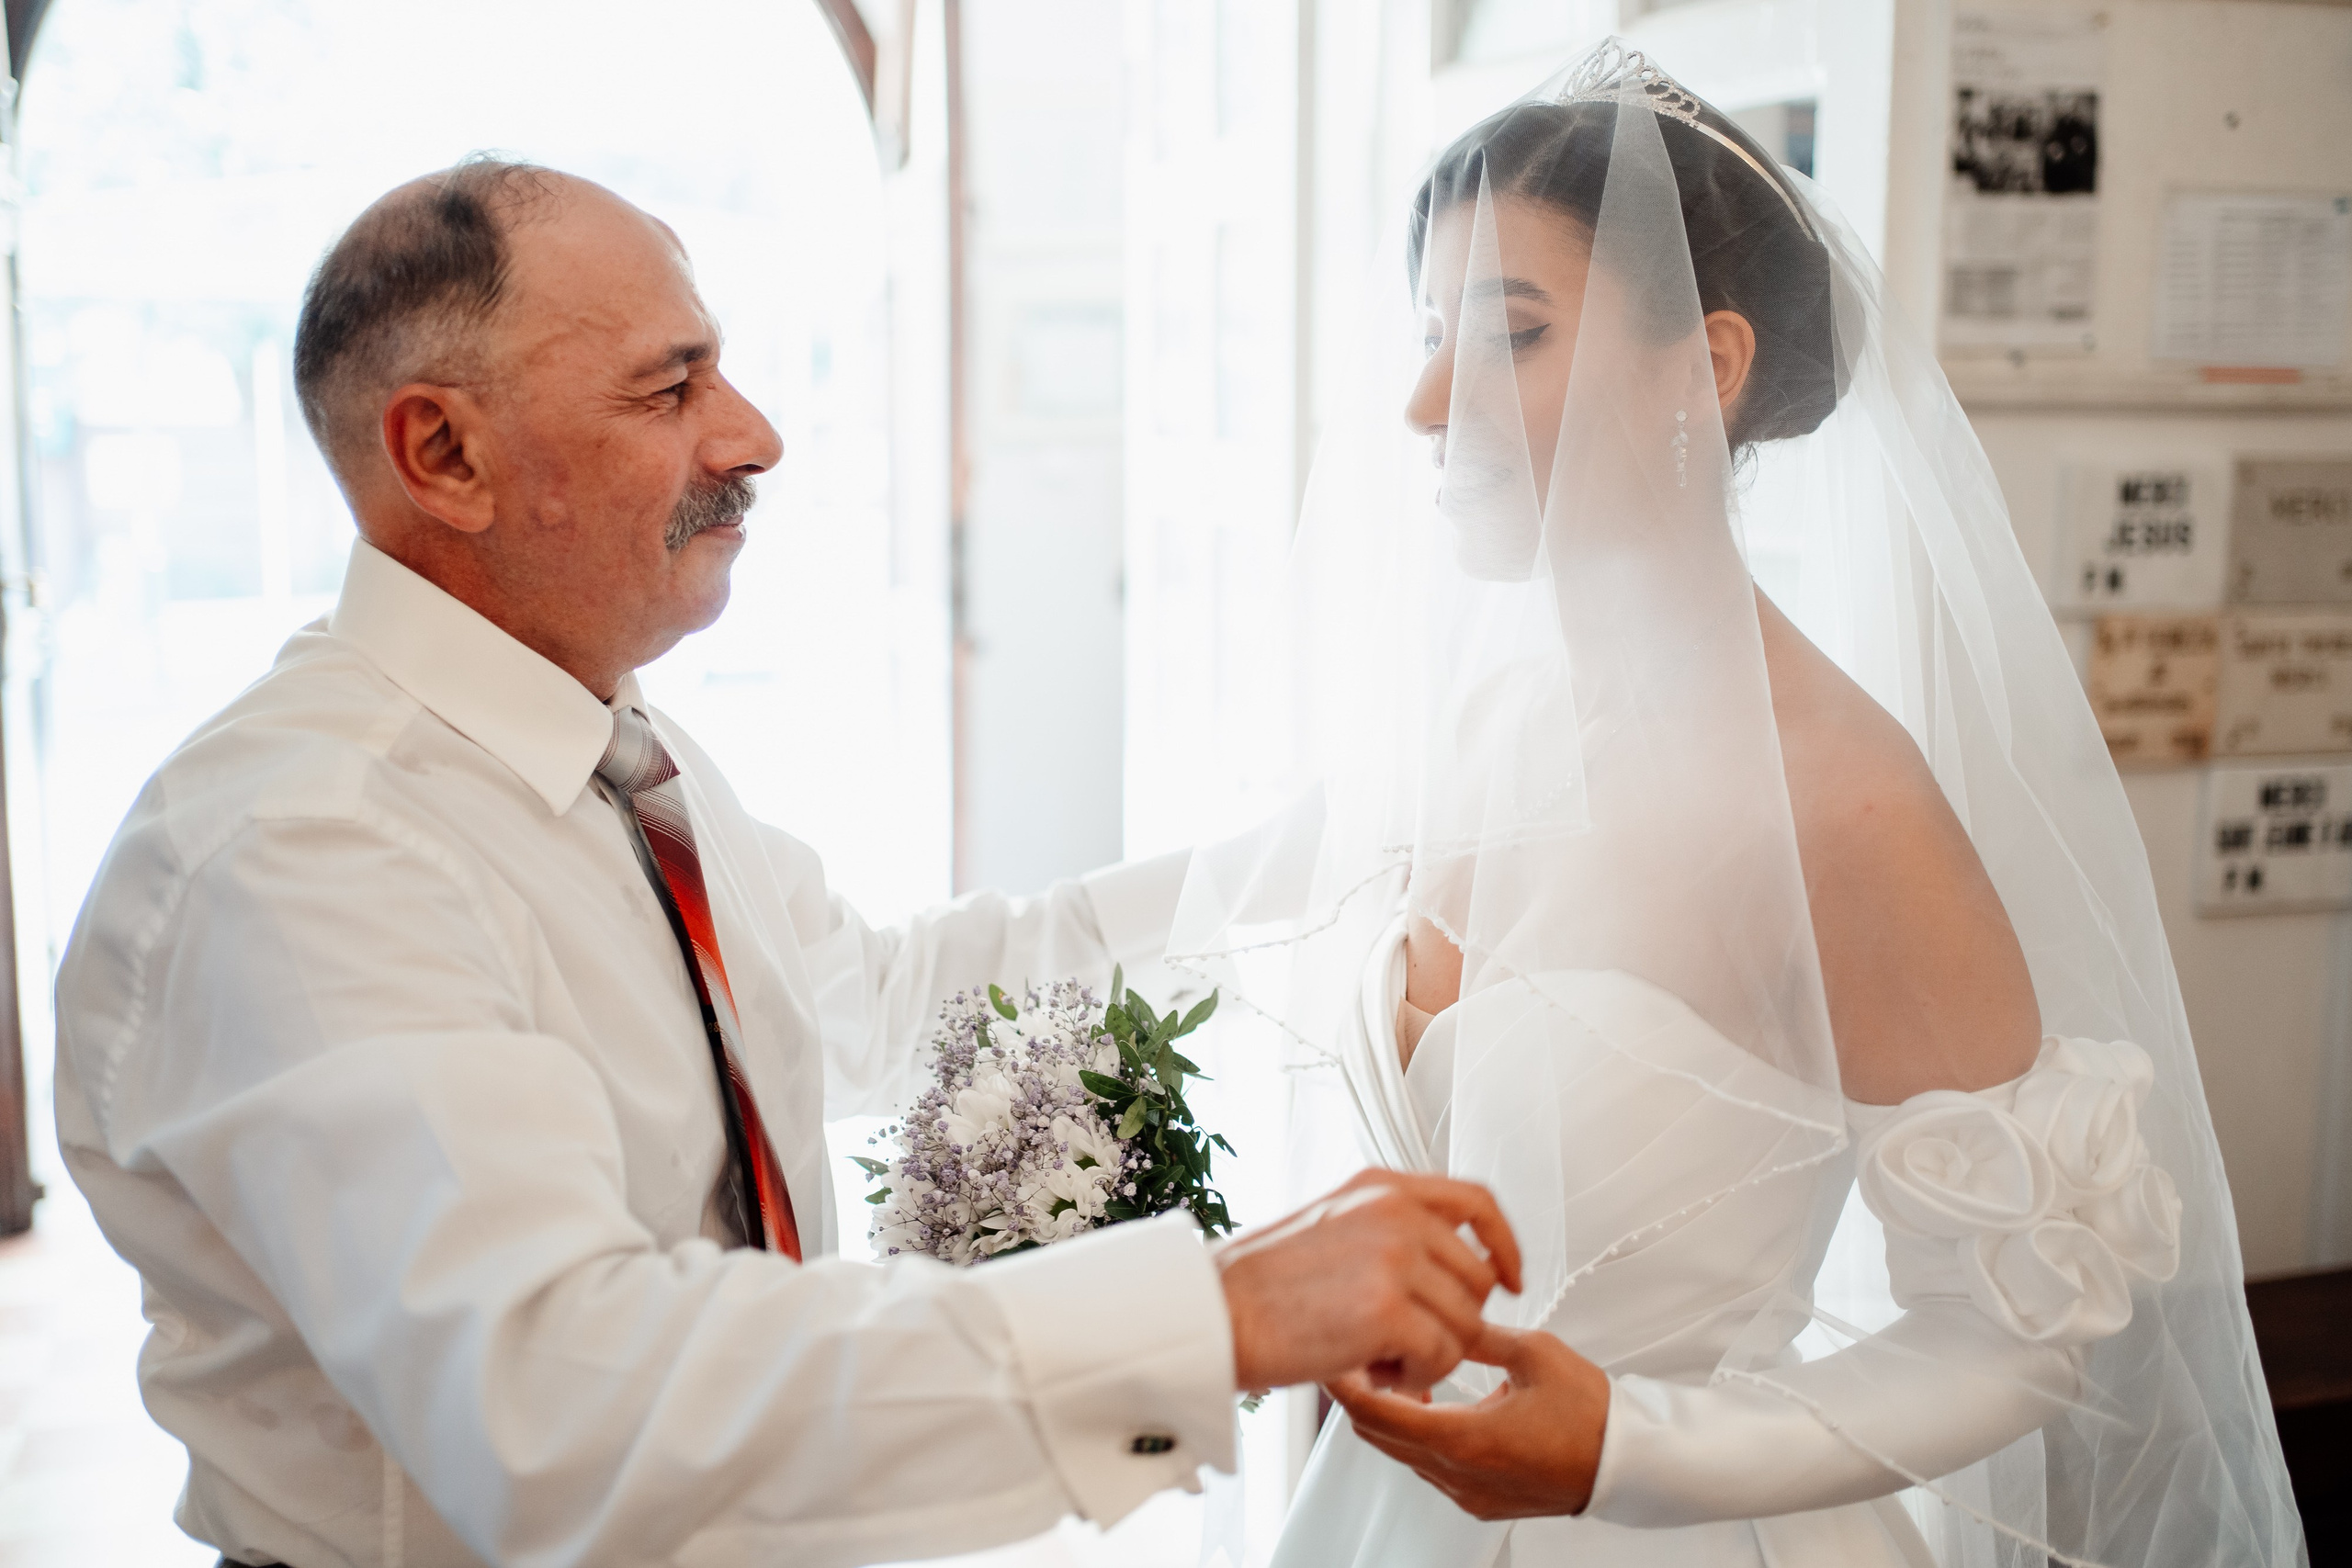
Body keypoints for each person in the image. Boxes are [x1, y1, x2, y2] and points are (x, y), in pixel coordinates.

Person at [51, 158, 1525, 1568]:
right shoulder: (306, 848)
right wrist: (1210, 1316)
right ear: (445, 454)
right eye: (668, 386)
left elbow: (878, 998)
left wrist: (1333, 853)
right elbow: (561, 1400)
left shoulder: (618, 754)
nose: (752, 433)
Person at [1166, 42, 2303, 1568]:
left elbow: (2022, 1329)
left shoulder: (1846, 803)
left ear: (1706, 364)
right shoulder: (1500, 718)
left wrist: (1627, 1447)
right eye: (1431, 334)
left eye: (1506, 335)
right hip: (1386, 1511)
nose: (1430, 400)